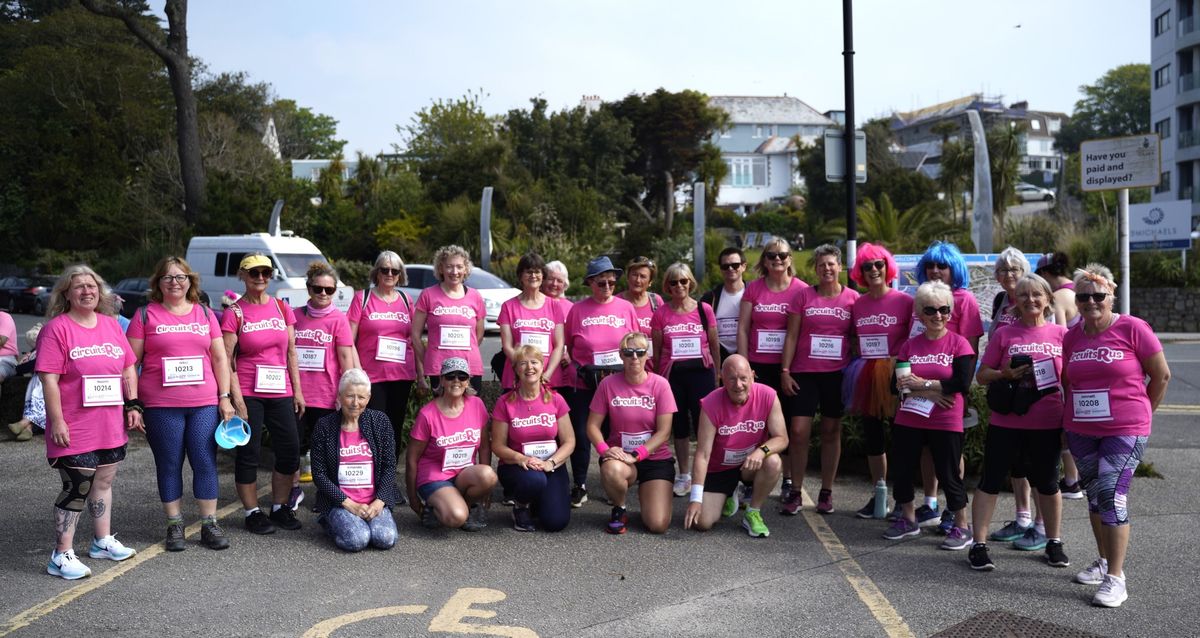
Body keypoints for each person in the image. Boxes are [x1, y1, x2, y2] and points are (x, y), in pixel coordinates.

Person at [1062, 264, 1170, 608]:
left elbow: (1161, 375)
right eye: (1083, 296)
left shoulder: (1132, 328)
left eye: (1098, 295)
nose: (1091, 301)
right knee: (1095, 495)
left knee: (1111, 493)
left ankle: (1116, 579)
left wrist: (1141, 414)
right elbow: (1069, 382)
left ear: (1111, 297)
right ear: (1076, 301)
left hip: (1125, 428)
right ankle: (1105, 561)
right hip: (1082, 428)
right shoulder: (1072, 336)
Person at [37, 265, 142, 579]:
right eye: (78, 286)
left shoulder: (111, 325)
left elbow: (127, 368)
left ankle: (102, 541)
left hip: (109, 423)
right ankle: (61, 554)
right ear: (66, 294)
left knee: (103, 482)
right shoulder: (57, 329)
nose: (86, 291)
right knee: (77, 486)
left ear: (101, 292)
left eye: (92, 286)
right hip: (74, 425)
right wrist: (56, 421)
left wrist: (133, 403)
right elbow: (49, 380)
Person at [126, 256, 234, 551]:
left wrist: (225, 398)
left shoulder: (205, 314)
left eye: (181, 277)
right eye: (168, 277)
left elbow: (220, 358)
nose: (175, 282)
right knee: (170, 463)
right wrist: (132, 403)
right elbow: (129, 363)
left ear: (191, 281)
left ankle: (209, 524)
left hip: (203, 403)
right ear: (158, 283)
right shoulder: (145, 315)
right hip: (161, 405)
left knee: (204, 460)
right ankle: (175, 524)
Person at [970, 274, 1069, 571]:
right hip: (1007, 421)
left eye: (1037, 294)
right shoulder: (1004, 335)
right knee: (990, 481)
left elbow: (1070, 381)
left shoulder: (1062, 334)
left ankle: (1053, 542)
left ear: (1048, 299)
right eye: (1023, 295)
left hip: (1048, 421)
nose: (1030, 300)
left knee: (1049, 484)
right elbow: (982, 375)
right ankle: (979, 545)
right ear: (1016, 301)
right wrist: (1005, 375)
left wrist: (1069, 422)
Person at [883, 281, 974, 551]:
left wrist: (921, 384)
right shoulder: (909, 346)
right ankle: (908, 519)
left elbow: (961, 383)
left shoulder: (959, 344)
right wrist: (933, 391)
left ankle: (962, 525)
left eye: (944, 310)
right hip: (909, 418)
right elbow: (895, 385)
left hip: (946, 419)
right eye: (931, 310)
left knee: (948, 473)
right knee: (902, 469)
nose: (938, 316)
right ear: (920, 314)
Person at [221, 253, 305, 535]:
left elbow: (291, 352)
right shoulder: (235, 312)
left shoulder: (282, 308)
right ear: (242, 276)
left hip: (279, 389)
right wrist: (237, 399)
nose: (260, 278)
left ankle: (280, 506)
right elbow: (227, 359)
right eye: (254, 273)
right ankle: (252, 511)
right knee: (249, 452)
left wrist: (297, 391)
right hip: (248, 391)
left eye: (265, 273)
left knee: (290, 449)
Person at [780, 244, 858, 515]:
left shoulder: (852, 299)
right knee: (799, 431)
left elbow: (857, 338)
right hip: (804, 373)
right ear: (815, 268)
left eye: (831, 264)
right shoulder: (803, 297)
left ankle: (826, 491)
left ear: (840, 267)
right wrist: (785, 371)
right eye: (822, 264)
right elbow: (791, 335)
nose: (827, 268)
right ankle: (796, 491)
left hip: (836, 374)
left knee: (830, 431)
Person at [911, 241, 984, 530]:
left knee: (951, 451)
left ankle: (954, 508)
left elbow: (971, 349)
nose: (936, 270)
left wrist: (956, 388)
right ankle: (930, 502)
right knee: (926, 449)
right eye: (931, 265)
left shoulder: (965, 300)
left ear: (955, 269)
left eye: (942, 265)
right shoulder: (919, 297)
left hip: (949, 390)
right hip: (918, 390)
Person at [563, 256, 640, 508]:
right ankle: (580, 484)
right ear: (589, 283)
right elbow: (571, 346)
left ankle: (612, 483)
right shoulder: (578, 310)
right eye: (601, 283)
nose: (607, 287)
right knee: (583, 434)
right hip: (585, 382)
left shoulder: (625, 307)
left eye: (611, 282)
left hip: (617, 382)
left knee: (613, 433)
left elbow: (635, 342)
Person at [683, 355, 788, 537]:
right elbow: (703, 454)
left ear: (753, 376)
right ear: (722, 379)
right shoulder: (710, 403)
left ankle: (752, 512)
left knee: (773, 462)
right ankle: (728, 494)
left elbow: (782, 438)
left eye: (743, 378)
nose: (738, 385)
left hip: (749, 464)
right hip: (719, 469)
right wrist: (695, 499)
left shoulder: (769, 396)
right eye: (731, 378)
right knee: (701, 523)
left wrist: (762, 451)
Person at [737, 237, 807, 501]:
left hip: (790, 368)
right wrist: (744, 367)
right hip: (758, 367)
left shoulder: (801, 290)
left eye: (783, 255)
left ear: (790, 259)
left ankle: (787, 479)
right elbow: (743, 328)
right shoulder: (753, 289)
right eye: (771, 255)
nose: (777, 260)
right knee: (754, 423)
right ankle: (748, 478)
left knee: (786, 424)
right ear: (764, 260)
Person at [586, 331, 677, 534]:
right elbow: (592, 426)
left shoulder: (660, 385)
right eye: (628, 353)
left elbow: (664, 432)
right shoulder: (607, 384)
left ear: (647, 355)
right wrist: (605, 450)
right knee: (612, 469)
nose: (634, 357)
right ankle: (620, 507)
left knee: (658, 525)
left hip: (654, 459)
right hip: (621, 457)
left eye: (639, 352)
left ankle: (651, 500)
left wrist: (637, 455)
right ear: (621, 355)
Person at [983, 247, 1043, 550]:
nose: (1009, 276)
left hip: (1038, 392)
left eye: (1014, 270)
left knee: (1041, 466)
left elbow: (1053, 337)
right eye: (1004, 271)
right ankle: (1022, 518)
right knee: (1017, 463)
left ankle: (1043, 527)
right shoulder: (1000, 302)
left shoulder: (1037, 298)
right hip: (1006, 389)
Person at [847, 243, 912, 518]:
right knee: (873, 436)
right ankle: (879, 493)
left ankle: (902, 498)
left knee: (901, 438)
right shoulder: (858, 304)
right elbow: (852, 337)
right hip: (866, 373)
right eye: (867, 266)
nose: (873, 270)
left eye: (878, 265)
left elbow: (914, 340)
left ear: (887, 268)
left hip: (896, 372)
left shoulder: (905, 301)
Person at [651, 262, 719, 498]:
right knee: (679, 426)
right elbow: (657, 352)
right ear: (667, 286)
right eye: (673, 282)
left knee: (705, 425)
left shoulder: (704, 310)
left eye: (683, 281)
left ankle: (707, 471)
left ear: (690, 282)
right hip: (673, 377)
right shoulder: (660, 314)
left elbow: (713, 345)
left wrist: (718, 375)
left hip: (702, 374)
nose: (679, 286)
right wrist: (659, 382)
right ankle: (684, 474)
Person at [310, 369, 398, 552]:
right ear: (340, 395)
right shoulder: (324, 426)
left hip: (373, 500)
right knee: (357, 540)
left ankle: (361, 521)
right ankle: (328, 521)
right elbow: (319, 475)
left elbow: (390, 466)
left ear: (369, 397)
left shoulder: (380, 422)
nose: (355, 403)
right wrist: (349, 504)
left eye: (361, 397)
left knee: (385, 539)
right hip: (340, 502)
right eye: (350, 396)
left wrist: (379, 501)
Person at [490, 345, 575, 532]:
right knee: (535, 481)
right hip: (518, 467)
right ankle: (520, 507)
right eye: (523, 363)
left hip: (550, 465)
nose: (529, 367)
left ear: (542, 366)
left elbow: (569, 441)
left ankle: (538, 501)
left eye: (534, 362)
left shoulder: (556, 399)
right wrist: (523, 459)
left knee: (555, 522)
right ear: (516, 369)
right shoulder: (505, 402)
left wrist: (551, 463)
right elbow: (497, 445)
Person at [406, 357, 497, 531]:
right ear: (441, 380)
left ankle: (466, 505)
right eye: (450, 376)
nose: (456, 381)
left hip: (464, 474)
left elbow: (485, 445)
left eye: (462, 376)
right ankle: (440, 506)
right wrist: (413, 498)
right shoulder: (428, 414)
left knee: (489, 475)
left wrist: (486, 490)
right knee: (456, 517)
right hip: (435, 477)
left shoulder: (477, 405)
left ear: (468, 381)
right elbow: (412, 458)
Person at [347, 251, 420, 466]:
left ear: (400, 275)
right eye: (384, 269)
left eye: (394, 271)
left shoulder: (406, 300)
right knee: (373, 426)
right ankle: (371, 477)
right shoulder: (362, 298)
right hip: (371, 376)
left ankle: (388, 480)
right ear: (376, 272)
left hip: (401, 375)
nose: (389, 274)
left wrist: (421, 374)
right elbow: (348, 339)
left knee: (395, 427)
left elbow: (414, 339)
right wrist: (356, 370)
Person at [293, 261, 357, 500]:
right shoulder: (295, 316)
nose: (323, 293)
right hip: (296, 394)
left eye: (328, 290)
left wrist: (346, 395)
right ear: (309, 288)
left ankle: (327, 494)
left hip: (326, 395)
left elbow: (345, 359)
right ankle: (293, 490)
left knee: (327, 449)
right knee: (293, 448)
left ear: (334, 292)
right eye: (318, 288)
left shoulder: (338, 319)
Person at [1035, 251, 1084, 500]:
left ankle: (1071, 480)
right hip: (1084, 364)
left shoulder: (1058, 297)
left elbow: (1059, 335)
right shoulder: (1079, 290)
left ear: (1045, 273)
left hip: (1066, 366)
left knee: (1063, 424)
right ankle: (1076, 478)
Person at [412, 245, 486, 394]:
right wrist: (427, 358)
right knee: (443, 412)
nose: (454, 272)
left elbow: (479, 335)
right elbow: (415, 334)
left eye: (459, 267)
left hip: (470, 366)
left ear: (465, 269)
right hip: (439, 367)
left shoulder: (475, 296)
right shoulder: (428, 295)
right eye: (449, 267)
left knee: (471, 412)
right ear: (441, 269)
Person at [497, 252, 565, 391]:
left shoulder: (554, 306)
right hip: (517, 377)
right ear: (521, 276)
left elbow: (559, 345)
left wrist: (547, 374)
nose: (533, 276)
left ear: (543, 275)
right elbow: (507, 346)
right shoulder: (508, 306)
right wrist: (524, 371)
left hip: (548, 377)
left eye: (537, 272)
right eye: (528, 272)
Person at [700, 247, 747, 360]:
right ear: (721, 269)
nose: (730, 269)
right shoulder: (709, 298)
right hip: (719, 356)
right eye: (725, 266)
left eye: (735, 265)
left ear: (744, 266)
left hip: (748, 355)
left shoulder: (754, 294)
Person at [618, 256, 662, 372]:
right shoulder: (617, 302)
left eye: (643, 276)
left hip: (653, 369)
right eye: (634, 274)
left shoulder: (656, 301)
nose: (637, 280)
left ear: (650, 282)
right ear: (628, 277)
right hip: (624, 370)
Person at [541, 260, 575, 406]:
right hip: (538, 368)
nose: (554, 284)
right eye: (550, 279)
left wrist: (571, 354)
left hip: (565, 371)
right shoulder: (537, 302)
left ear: (565, 284)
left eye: (559, 280)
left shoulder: (572, 307)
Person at [8, 323, 45, 441]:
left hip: (47, 382)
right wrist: (24, 361)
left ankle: (24, 423)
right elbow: (20, 369)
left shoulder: (45, 350)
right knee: (34, 395)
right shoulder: (35, 351)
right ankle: (28, 427)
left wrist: (26, 362)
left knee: (37, 395)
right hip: (38, 382)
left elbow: (36, 365)